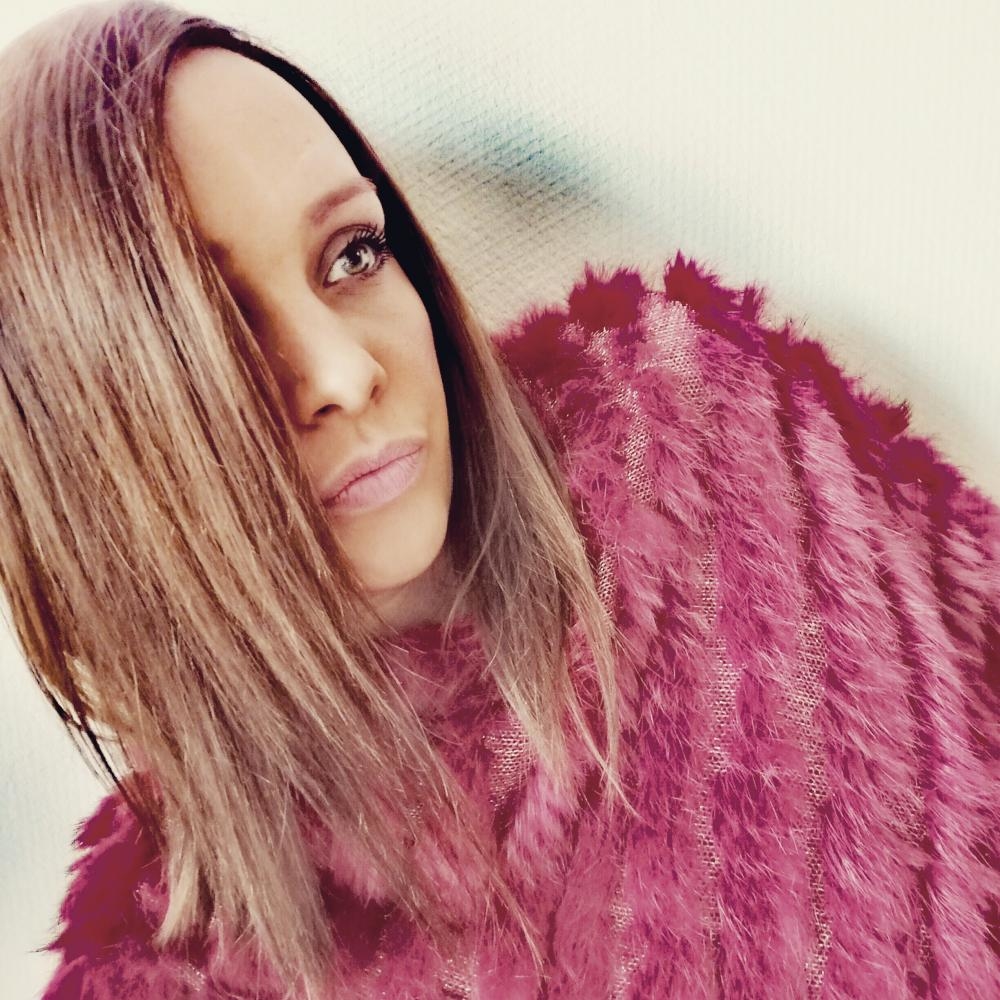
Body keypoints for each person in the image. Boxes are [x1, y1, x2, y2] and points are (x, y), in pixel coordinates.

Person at [2, 2, 997, 998]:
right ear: (86, 460)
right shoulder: (164, 977)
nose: (343, 373)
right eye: (220, 340)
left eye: (352, 253)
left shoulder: (717, 453)